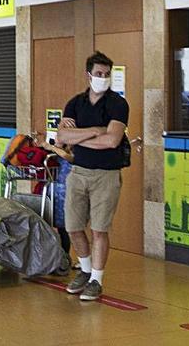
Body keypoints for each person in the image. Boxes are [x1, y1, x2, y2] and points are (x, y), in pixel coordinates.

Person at [57, 51, 129, 301]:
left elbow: (112, 141)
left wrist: (81, 136)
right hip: (78, 172)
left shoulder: (118, 104)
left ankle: (97, 279)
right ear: (88, 75)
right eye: (99, 74)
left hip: (106, 175)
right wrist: (95, 131)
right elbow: (63, 138)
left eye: (107, 74)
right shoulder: (75, 103)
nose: (103, 78)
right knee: (73, 226)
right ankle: (85, 271)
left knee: (99, 229)